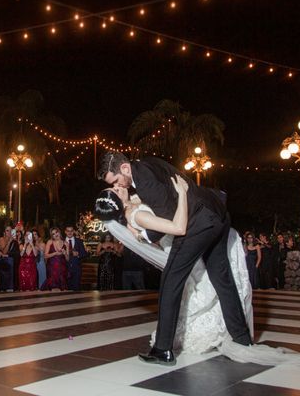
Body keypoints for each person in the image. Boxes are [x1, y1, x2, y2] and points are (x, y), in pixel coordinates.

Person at [94, 187, 300, 367]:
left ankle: (229, 332)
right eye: (114, 189)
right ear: (118, 201)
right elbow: (173, 228)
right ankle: (216, 334)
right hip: (183, 246)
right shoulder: (136, 214)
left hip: (191, 244)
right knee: (209, 286)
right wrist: (181, 194)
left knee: (215, 283)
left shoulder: (135, 202)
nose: (118, 186)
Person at [98, 151, 253, 366]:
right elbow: (165, 199)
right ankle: (242, 338)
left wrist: (144, 234)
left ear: (124, 168)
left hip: (198, 222)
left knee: (170, 281)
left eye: (116, 181)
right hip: (218, 214)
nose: (120, 186)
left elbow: (171, 222)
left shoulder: (143, 181)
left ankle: (162, 349)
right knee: (222, 279)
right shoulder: (146, 164)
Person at [64, 225, 87, 291]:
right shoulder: (61, 241)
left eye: (71, 231)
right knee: (65, 289)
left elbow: (84, 254)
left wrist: (78, 254)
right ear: (65, 232)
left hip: (77, 268)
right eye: (68, 231)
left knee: (76, 289)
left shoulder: (79, 241)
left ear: (73, 231)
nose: (70, 232)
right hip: (65, 268)